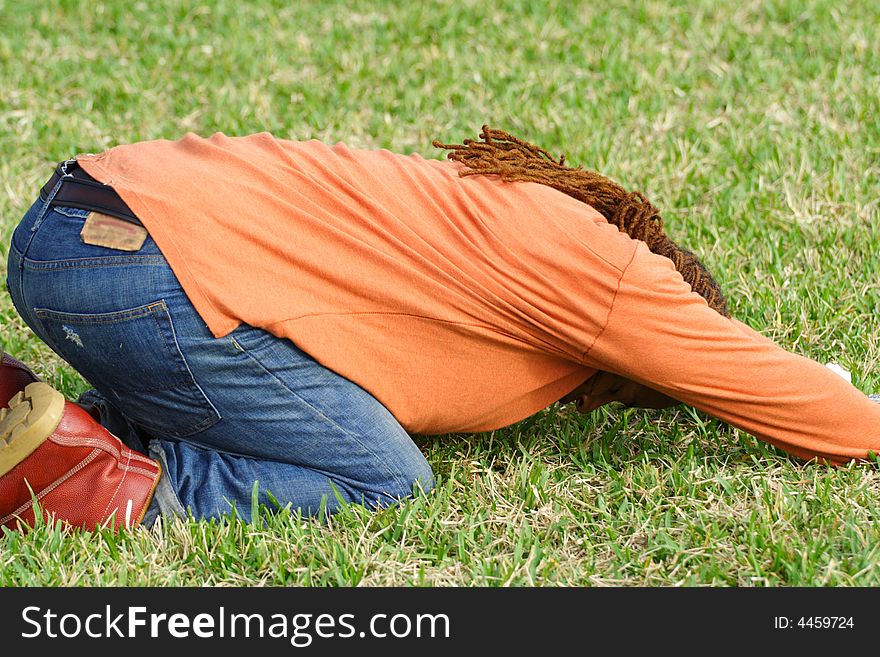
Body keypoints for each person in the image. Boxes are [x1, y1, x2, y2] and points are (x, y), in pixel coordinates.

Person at [2, 126, 879, 531]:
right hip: (138, 272)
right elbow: (766, 385)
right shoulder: (612, 270)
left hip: (68, 234)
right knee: (383, 478)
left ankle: (37, 419)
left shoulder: (504, 225)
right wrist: (838, 399)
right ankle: (96, 487)